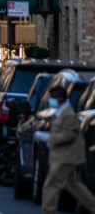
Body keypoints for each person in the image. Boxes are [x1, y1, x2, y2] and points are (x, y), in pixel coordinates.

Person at [38, 84, 95, 214]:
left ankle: (48, 211)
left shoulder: (67, 114)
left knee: (50, 186)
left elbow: (68, 135)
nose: (51, 100)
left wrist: (48, 138)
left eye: (53, 98)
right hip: (64, 155)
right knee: (72, 185)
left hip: (65, 157)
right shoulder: (59, 112)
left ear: (62, 99)